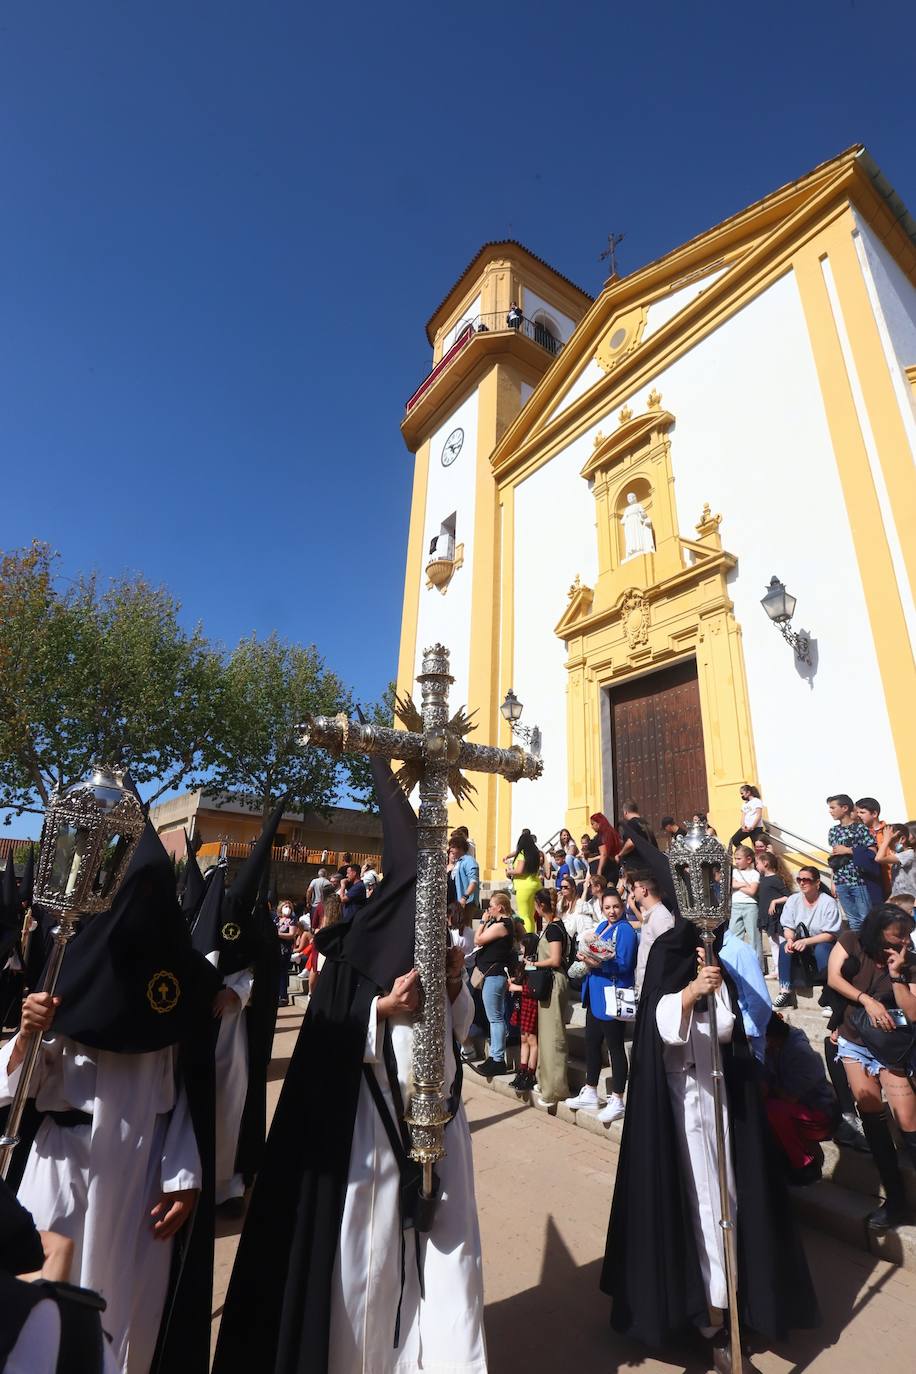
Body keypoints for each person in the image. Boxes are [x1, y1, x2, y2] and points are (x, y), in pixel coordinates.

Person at [213, 758, 486, 1374]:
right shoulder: (351, 960)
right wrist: (380, 1009)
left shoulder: (440, 951)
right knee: (372, 1268)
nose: (435, 916)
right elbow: (329, 1034)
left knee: (445, 1265)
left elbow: (455, 1034)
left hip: (442, 1134)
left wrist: (452, 985)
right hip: (370, 1136)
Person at [0, 825, 219, 1374]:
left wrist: (184, 1175)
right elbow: (21, 1086)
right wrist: (27, 1034)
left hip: (143, 1178)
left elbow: (187, 1091)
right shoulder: (70, 968)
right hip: (63, 1168)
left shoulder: (182, 985)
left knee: (127, 1321)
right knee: (46, 1313)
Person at [602, 913, 819, 1365]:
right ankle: (710, 1313)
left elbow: (724, 1029)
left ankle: (732, 1296)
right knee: (701, 1201)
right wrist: (687, 994)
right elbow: (660, 1026)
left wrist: (714, 986)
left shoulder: (717, 966)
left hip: (718, 1097)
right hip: (680, 1101)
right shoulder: (665, 955)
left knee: (728, 1199)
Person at [827, 903, 916, 1228]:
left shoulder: (909, 960)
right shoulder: (851, 940)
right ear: (877, 932)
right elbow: (834, 978)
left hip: (891, 1047)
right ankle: (895, 1201)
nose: (903, 942)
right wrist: (867, 1000)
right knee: (872, 1116)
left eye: (906, 936)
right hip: (854, 1040)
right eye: (896, 937)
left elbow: (913, 1011)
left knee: (907, 1121)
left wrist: (897, 975)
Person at [565, 890, 637, 1123]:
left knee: (615, 1047)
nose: (612, 911)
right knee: (592, 1043)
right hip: (596, 995)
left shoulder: (625, 930)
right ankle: (590, 1089)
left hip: (611, 995)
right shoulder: (603, 926)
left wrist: (596, 964)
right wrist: (585, 956)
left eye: (615, 906)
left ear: (622, 906)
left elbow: (625, 964)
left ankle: (618, 1099)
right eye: (607, 907)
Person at [763, 1015, 838, 1184]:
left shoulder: (800, 1053)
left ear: (770, 1037)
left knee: (772, 1109)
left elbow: (790, 1097)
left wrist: (769, 1088)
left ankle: (805, 1165)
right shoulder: (774, 1049)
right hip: (797, 1109)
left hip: (820, 1113)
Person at [772, 867, 841, 1010]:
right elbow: (788, 927)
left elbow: (830, 934)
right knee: (785, 947)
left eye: (806, 880)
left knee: (822, 950)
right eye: (799, 879)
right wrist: (790, 940)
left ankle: (829, 994)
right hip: (800, 941)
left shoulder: (828, 902)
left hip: (822, 942)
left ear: (817, 883)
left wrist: (806, 941)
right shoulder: (793, 900)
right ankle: (785, 991)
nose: (802, 883)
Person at [528, 890, 571, 1107]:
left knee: (553, 1036)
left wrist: (533, 964)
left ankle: (554, 1090)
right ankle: (545, 1081)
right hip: (549, 983)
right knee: (546, 1035)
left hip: (554, 982)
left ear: (540, 905)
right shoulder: (553, 926)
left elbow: (555, 959)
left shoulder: (554, 928)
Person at [472, 890, 515, 1078]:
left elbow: (478, 939)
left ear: (500, 907)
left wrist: (482, 922)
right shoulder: (501, 924)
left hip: (495, 975)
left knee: (495, 1018)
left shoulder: (502, 925)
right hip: (492, 975)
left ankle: (498, 1059)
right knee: (494, 1017)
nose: (488, 909)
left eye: (491, 906)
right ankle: (494, 1057)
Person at [719, 925, 772, 1063]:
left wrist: (746, 1031)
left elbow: (760, 1001)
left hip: (744, 1040)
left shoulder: (739, 951)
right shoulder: (715, 950)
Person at [825, 794, 873, 929]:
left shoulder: (860, 828)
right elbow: (835, 858)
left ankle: (869, 942)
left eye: (833, 807)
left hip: (858, 880)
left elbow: (872, 852)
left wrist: (848, 850)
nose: (830, 811)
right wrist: (833, 881)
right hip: (841, 881)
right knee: (853, 921)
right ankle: (857, 943)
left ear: (845, 808)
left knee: (866, 918)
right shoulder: (833, 831)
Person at [632, 873, 675, 994]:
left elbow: (668, 956)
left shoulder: (661, 917)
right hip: (646, 986)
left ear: (643, 890)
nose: (632, 892)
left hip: (655, 988)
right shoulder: (652, 915)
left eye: (634, 888)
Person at [507, 933, 539, 1092]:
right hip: (522, 1005)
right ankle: (522, 1070)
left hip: (529, 1005)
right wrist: (514, 980)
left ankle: (530, 1074)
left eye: (523, 945)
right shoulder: (524, 963)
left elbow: (534, 988)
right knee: (523, 1039)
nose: (520, 948)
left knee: (532, 1040)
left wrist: (517, 987)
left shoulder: (533, 964)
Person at [755, 850, 789, 973]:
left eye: (757, 863)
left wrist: (775, 902)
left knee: (781, 941)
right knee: (773, 942)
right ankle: (777, 969)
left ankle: (784, 968)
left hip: (776, 917)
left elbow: (788, 896)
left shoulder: (775, 879)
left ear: (765, 863)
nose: (756, 866)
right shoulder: (761, 879)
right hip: (767, 916)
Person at [728, 845, 761, 959]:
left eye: (739, 859)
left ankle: (756, 963)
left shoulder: (754, 873)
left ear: (748, 859)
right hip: (735, 906)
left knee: (754, 936)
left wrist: (738, 885)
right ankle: (736, 961)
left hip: (750, 906)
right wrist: (744, 884)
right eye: (735, 859)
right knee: (734, 935)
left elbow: (752, 891)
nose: (736, 861)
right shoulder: (733, 872)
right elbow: (731, 884)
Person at [507, 831, 541, 934]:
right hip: (535, 884)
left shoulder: (522, 853)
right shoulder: (535, 853)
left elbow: (519, 870)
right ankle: (532, 936)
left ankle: (527, 938)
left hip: (524, 886)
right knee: (531, 916)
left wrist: (509, 871)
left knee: (524, 915)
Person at [875, 822, 916, 900]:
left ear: (902, 839)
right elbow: (896, 885)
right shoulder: (897, 857)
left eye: (890, 840)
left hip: (910, 900)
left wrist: (886, 841)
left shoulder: (908, 854)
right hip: (900, 900)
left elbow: (878, 858)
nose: (888, 844)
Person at [449, 832, 481, 921]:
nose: (451, 850)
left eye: (453, 847)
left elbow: (473, 881)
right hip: (458, 901)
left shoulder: (469, 861)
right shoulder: (458, 862)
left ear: (461, 848)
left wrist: (464, 897)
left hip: (467, 902)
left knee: (465, 925)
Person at [729, 784, 766, 848]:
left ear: (748, 792)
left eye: (742, 793)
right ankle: (746, 852)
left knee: (758, 846)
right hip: (746, 828)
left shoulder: (757, 801)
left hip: (756, 828)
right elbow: (743, 816)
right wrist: (743, 826)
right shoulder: (744, 804)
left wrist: (752, 827)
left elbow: (758, 815)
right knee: (734, 840)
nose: (741, 795)